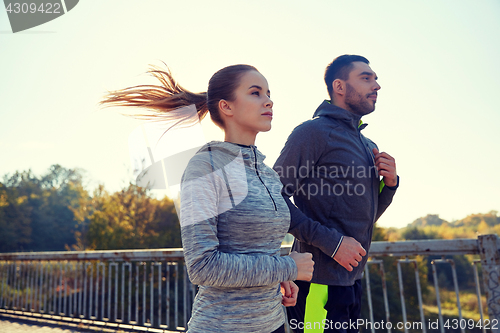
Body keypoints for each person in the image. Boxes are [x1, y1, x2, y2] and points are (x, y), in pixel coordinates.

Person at [101, 64, 319, 333]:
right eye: (255, 93)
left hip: (274, 323)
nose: (268, 100)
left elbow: (261, 248)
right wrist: (286, 267)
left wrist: (280, 280)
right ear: (227, 107)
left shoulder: (268, 174)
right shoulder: (205, 168)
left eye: (268, 93)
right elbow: (203, 266)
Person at [273, 55, 399, 333]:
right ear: (339, 86)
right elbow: (272, 200)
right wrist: (333, 244)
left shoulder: (368, 145)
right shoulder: (312, 132)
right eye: (366, 78)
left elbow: (362, 218)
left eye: (376, 78)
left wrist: (389, 186)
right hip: (318, 281)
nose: (376, 85)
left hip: (352, 282)